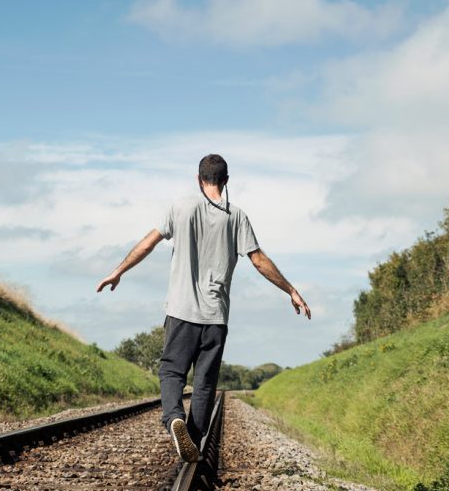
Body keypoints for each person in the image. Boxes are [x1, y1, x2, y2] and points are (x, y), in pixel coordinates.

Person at [96, 154, 311, 462]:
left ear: (199, 179)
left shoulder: (180, 208)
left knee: (171, 371)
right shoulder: (237, 217)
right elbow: (259, 260)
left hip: (181, 312)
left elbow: (148, 243)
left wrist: (119, 270)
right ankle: (193, 442)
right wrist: (291, 290)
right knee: (205, 383)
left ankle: (173, 419)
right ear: (226, 181)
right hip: (215, 318)